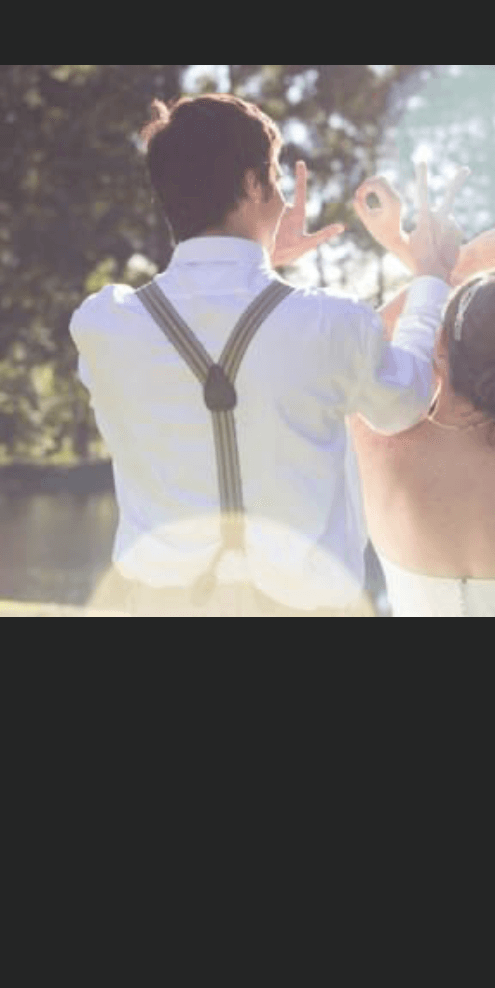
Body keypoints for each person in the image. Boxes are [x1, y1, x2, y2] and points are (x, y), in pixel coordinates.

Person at [69, 93, 460, 618]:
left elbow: (206, 316)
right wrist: (431, 277)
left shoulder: (104, 326)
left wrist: (256, 261)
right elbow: (406, 402)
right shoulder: (330, 326)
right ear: (254, 184)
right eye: (273, 176)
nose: (279, 193)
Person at [349, 175, 495, 617]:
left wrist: (450, 262)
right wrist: (443, 265)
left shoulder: (375, 437)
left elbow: (361, 343)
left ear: (438, 348)